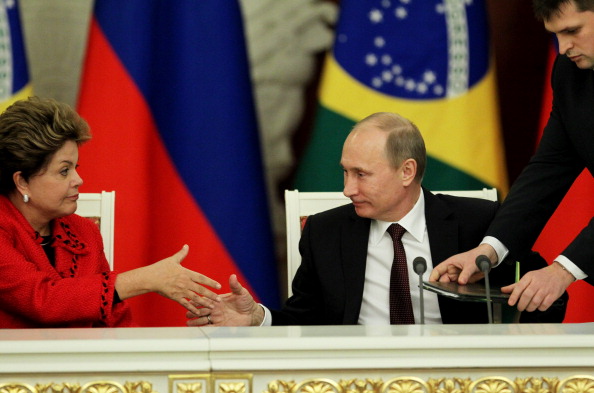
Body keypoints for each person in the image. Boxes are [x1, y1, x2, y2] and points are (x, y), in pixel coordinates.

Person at [187, 112, 564, 327]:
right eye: (345, 173)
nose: (348, 189)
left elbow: (546, 294)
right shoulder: (325, 231)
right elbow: (306, 322)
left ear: (407, 171)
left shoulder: (480, 223)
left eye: (361, 174)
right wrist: (257, 318)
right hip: (357, 379)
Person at [430, 0, 594, 314]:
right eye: (555, 35)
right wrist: (488, 251)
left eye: (572, 31)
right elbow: (549, 167)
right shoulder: (570, 73)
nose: (562, 48)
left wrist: (561, 271)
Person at [0, 96, 221, 328]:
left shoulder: (83, 231)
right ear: (22, 181)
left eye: (76, 167)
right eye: (64, 171)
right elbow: (43, 299)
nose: (79, 180)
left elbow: (115, 322)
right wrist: (146, 279)